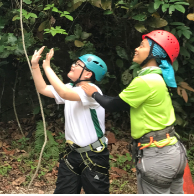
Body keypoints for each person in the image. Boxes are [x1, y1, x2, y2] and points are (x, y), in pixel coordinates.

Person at [80, 30, 188, 194]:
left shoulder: (146, 80)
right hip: (173, 151)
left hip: (157, 154)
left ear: (155, 53)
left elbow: (114, 104)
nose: (136, 49)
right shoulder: (159, 78)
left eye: (142, 46)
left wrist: (93, 94)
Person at [29, 47, 110, 194]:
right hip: (72, 154)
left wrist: (47, 67)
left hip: (93, 156)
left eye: (78, 64)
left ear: (88, 74)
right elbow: (42, 89)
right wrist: (35, 66)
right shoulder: (71, 88)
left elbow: (64, 93)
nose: (73, 65)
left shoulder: (91, 90)